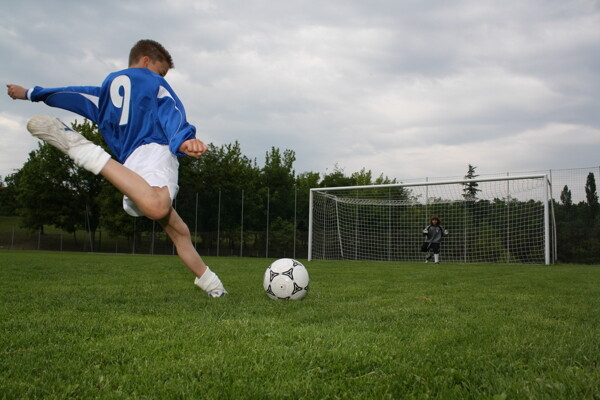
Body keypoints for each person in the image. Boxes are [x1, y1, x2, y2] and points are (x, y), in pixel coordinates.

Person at [6, 39, 227, 297]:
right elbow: (172, 111)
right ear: (146, 60)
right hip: (155, 151)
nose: (163, 77)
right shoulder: (152, 83)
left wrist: (31, 93)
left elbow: (70, 95)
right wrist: (184, 140)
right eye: (162, 71)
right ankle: (85, 151)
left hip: (130, 166)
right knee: (157, 206)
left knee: (178, 231)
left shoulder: (106, 90)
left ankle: (212, 285)